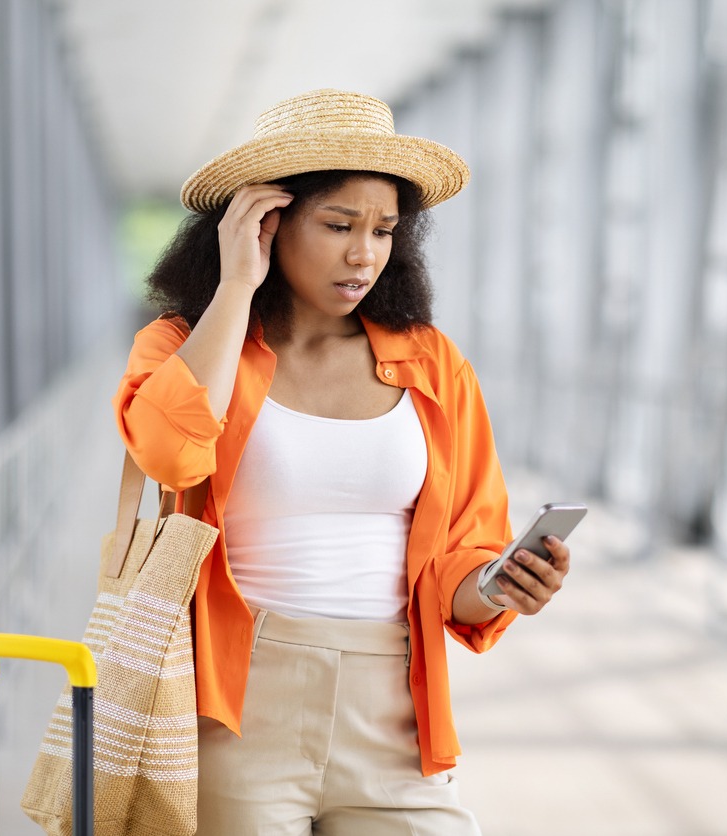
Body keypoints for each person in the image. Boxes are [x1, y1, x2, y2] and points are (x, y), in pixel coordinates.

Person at [113, 89, 571, 835]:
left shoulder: (432, 365)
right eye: (338, 224)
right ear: (265, 221)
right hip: (234, 709)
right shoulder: (181, 345)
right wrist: (235, 290)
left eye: (385, 230)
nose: (365, 253)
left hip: (394, 713)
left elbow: (461, 557)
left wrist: (500, 585)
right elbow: (169, 451)